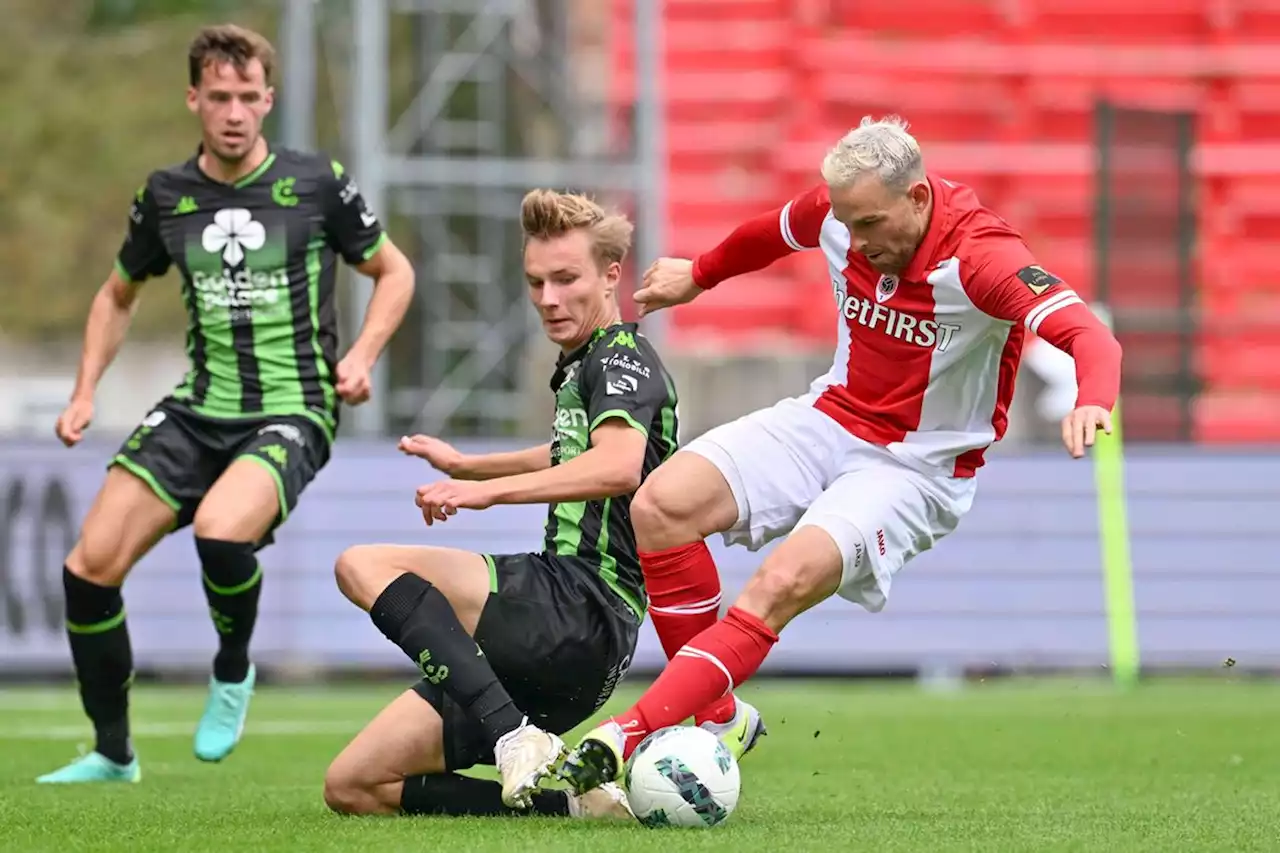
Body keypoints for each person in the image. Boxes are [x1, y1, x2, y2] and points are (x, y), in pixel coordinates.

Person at [555, 115, 1125, 794]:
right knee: (659, 506)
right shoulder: (842, 208)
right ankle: (719, 716)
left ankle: (629, 734)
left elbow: (1091, 335)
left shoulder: (980, 258)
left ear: (917, 199)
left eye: (871, 225)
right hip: (828, 417)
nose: (857, 241)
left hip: (913, 468)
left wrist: (1093, 397)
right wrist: (699, 275)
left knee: (779, 583)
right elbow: (771, 231)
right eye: (849, 224)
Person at [37, 24, 415, 784]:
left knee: (219, 528)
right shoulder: (166, 196)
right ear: (194, 100)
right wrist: (85, 391)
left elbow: (394, 271)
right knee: (87, 567)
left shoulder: (318, 183)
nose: (235, 112)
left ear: (268, 100)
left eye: (249, 97)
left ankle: (233, 669)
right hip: (198, 408)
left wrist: (363, 354)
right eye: (219, 97)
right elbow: (117, 295)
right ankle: (113, 751)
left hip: (294, 406)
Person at [319, 189, 679, 819]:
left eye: (566, 279)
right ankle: (569, 803)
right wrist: (469, 464)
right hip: (565, 656)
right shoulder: (584, 364)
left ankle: (511, 735)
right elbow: (572, 451)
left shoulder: (623, 356)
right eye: (536, 281)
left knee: (362, 565)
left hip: (581, 602)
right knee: (354, 786)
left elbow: (617, 465)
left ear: (611, 275)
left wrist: (482, 493)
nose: (548, 298)